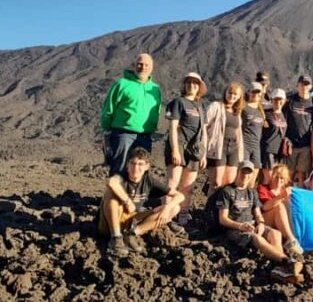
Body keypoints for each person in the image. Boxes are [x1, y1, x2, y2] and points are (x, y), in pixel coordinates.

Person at [217, 160, 304, 284]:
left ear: (252, 175)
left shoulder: (252, 192)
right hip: (235, 229)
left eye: (249, 173)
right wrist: (240, 226)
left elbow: (258, 213)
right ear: (238, 172)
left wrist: (261, 223)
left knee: (276, 233)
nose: (246, 176)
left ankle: (279, 270)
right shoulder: (227, 191)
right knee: (256, 238)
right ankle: (286, 261)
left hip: (252, 225)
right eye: (243, 172)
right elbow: (223, 219)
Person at [98, 147, 184, 257]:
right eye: (133, 163)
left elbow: (180, 196)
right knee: (110, 194)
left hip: (133, 219)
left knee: (175, 208)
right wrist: (128, 201)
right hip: (111, 222)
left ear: (147, 166)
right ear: (127, 165)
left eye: (140, 164)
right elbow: (111, 182)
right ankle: (116, 238)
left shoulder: (149, 181)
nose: (136, 168)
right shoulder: (121, 177)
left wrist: (167, 208)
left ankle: (131, 234)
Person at [101, 53, 162, 176]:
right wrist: (107, 131)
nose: (143, 67)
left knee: (140, 172)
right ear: (134, 65)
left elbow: (157, 111)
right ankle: (116, 189)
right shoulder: (122, 84)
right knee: (119, 168)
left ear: (151, 68)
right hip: (123, 134)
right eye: (140, 64)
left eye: (146, 65)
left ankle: (135, 190)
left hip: (145, 136)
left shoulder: (155, 89)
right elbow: (108, 108)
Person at [164, 73, 208, 229]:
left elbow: (204, 132)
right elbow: (172, 127)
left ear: (199, 87)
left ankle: (183, 216)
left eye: (195, 83)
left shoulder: (201, 106)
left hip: (194, 150)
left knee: (188, 187)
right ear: (185, 85)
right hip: (179, 146)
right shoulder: (178, 102)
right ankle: (167, 217)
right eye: (189, 82)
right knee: (172, 184)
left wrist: (204, 153)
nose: (191, 85)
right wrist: (175, 150)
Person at [205, 82, 245, 197]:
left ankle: (222, 206)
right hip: (219, 147)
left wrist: (240, 151)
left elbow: (238, 132)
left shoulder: (237, 112)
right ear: (225, 93)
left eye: (235, 94)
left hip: (233, 148)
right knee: (216, 182)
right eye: (230, 93)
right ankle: (210, 205)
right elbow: (205, 125)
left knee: (229, 182)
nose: (232, 96)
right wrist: (206, 143)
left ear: (239, 97)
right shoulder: (216, 106)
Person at [257, 164, 303, 255]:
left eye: (282, 178)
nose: (279, 180)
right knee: (279, 206)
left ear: (285, 180)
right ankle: (291, 240)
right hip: (265, 221)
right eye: (276, 177)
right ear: (272, 177)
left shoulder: (288, 192)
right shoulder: (263, 188)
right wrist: (281, 197)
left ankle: (292, 239)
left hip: (282, 223)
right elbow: (265, 207)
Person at [284, 75, 313, 187]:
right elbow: (284, 119)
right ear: (297, 85)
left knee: (302, 175)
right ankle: (287, 195)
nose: (304, 86)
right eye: (302, 83)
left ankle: (300, 195)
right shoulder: (290, 100)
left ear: (310, 86)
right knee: (288, 174)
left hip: (306, 145)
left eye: (307, 84)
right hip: (291, 144)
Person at [260, 88, 288, 187]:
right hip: (268, 150)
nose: (278, 102)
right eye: (276, 99)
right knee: (269, 180)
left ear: (284, 100)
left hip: (279, 152)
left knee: (276, 179)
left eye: (281, 99)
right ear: (271, 100)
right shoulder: (265, 114)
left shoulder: (283, 114)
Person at [242, 82, 267, 184]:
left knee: (252, 181)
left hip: (256, 147)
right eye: (253, 91)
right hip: (244, 145)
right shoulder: (243, 107)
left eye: (258, 92)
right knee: (243, 177)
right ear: (249, 92)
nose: (255, 94)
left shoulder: (261, 110)